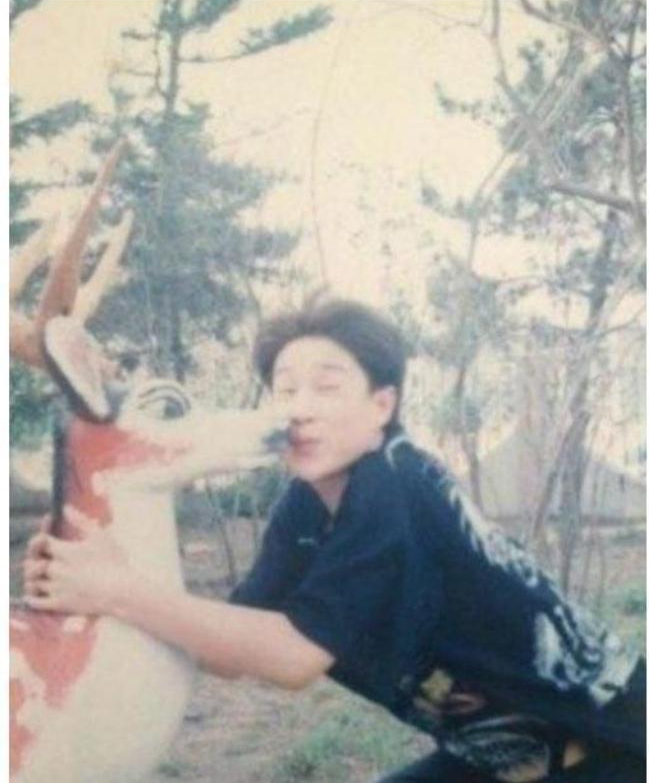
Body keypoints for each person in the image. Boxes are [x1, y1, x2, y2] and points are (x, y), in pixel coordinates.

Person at [23, 298, 645, 782]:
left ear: (382, 404)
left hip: (614, 752)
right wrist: (87, 586)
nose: (300, 408)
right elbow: (226, 651)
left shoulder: (396, 482)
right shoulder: (305, 507)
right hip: (499, 759)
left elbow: (294, 659)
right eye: (285, 388)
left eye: (326, 387)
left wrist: (118, 589)